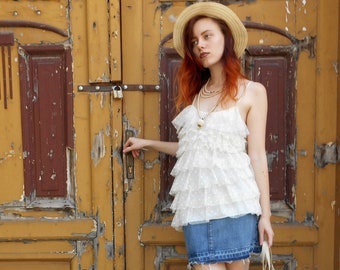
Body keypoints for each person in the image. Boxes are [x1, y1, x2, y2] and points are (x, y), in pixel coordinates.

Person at [123, 2, 274, 270]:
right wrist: (148, 143)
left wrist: (266, 216)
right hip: (198, 207)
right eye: (194, 41)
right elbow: (192, 149)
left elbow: (258, 155)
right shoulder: (197, 95)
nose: (200, 46)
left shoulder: (253, 92)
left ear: (225, 38)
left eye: (207, 36)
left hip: (235, 204)